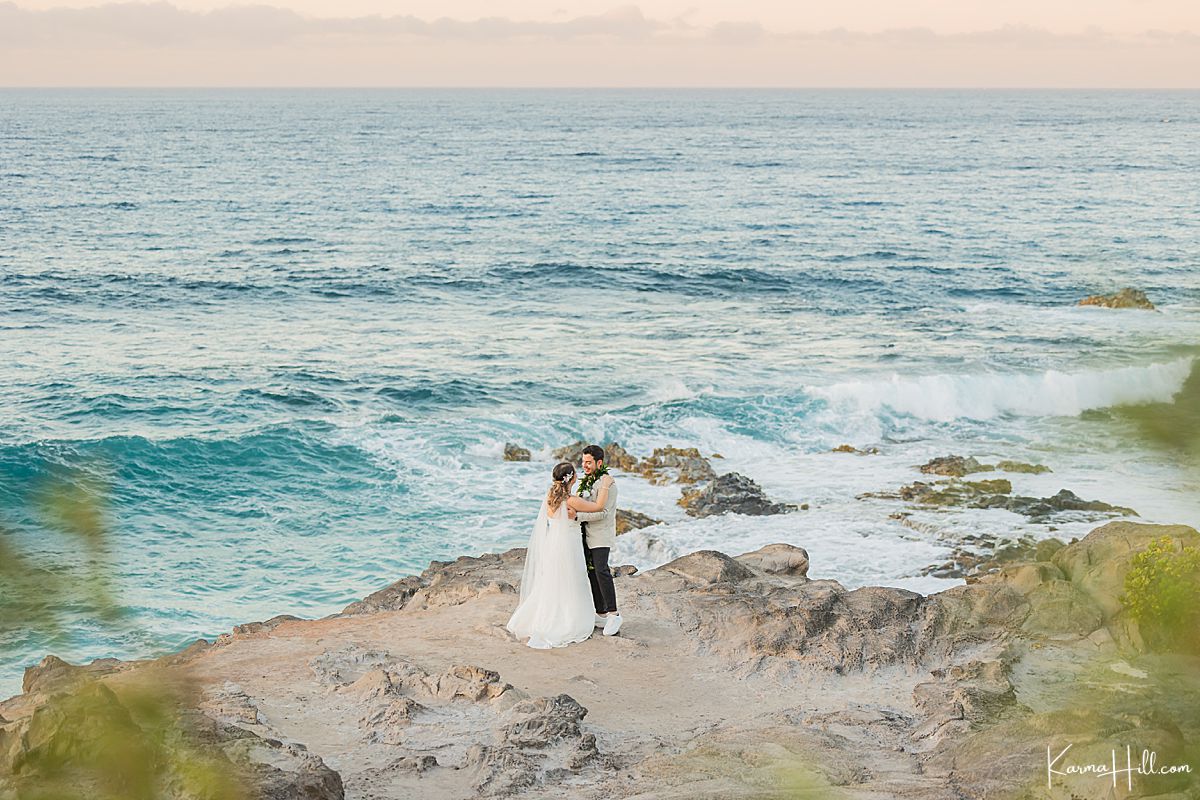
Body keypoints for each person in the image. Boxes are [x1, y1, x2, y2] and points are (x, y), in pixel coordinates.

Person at [505, 461, 611, 649]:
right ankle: (570, 619)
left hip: (553, 544)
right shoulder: (572, 501)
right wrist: (605, 484)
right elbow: (599, 507)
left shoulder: (550, 498)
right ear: (571, 478)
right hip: (569, 545)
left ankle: (548, 615)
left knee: (554, 581)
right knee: (572, 579)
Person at [575, 444, 621, 636]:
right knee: (592, 573)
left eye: (588, 462)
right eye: (583, 462)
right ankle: (600, 613)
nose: (584, 465)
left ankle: (614, 614)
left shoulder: (607, 483)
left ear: (599, 462)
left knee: (602, 571)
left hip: (601, 535)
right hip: (586, 535)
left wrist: (577, 516)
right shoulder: (587, 481)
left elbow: (603, 513)